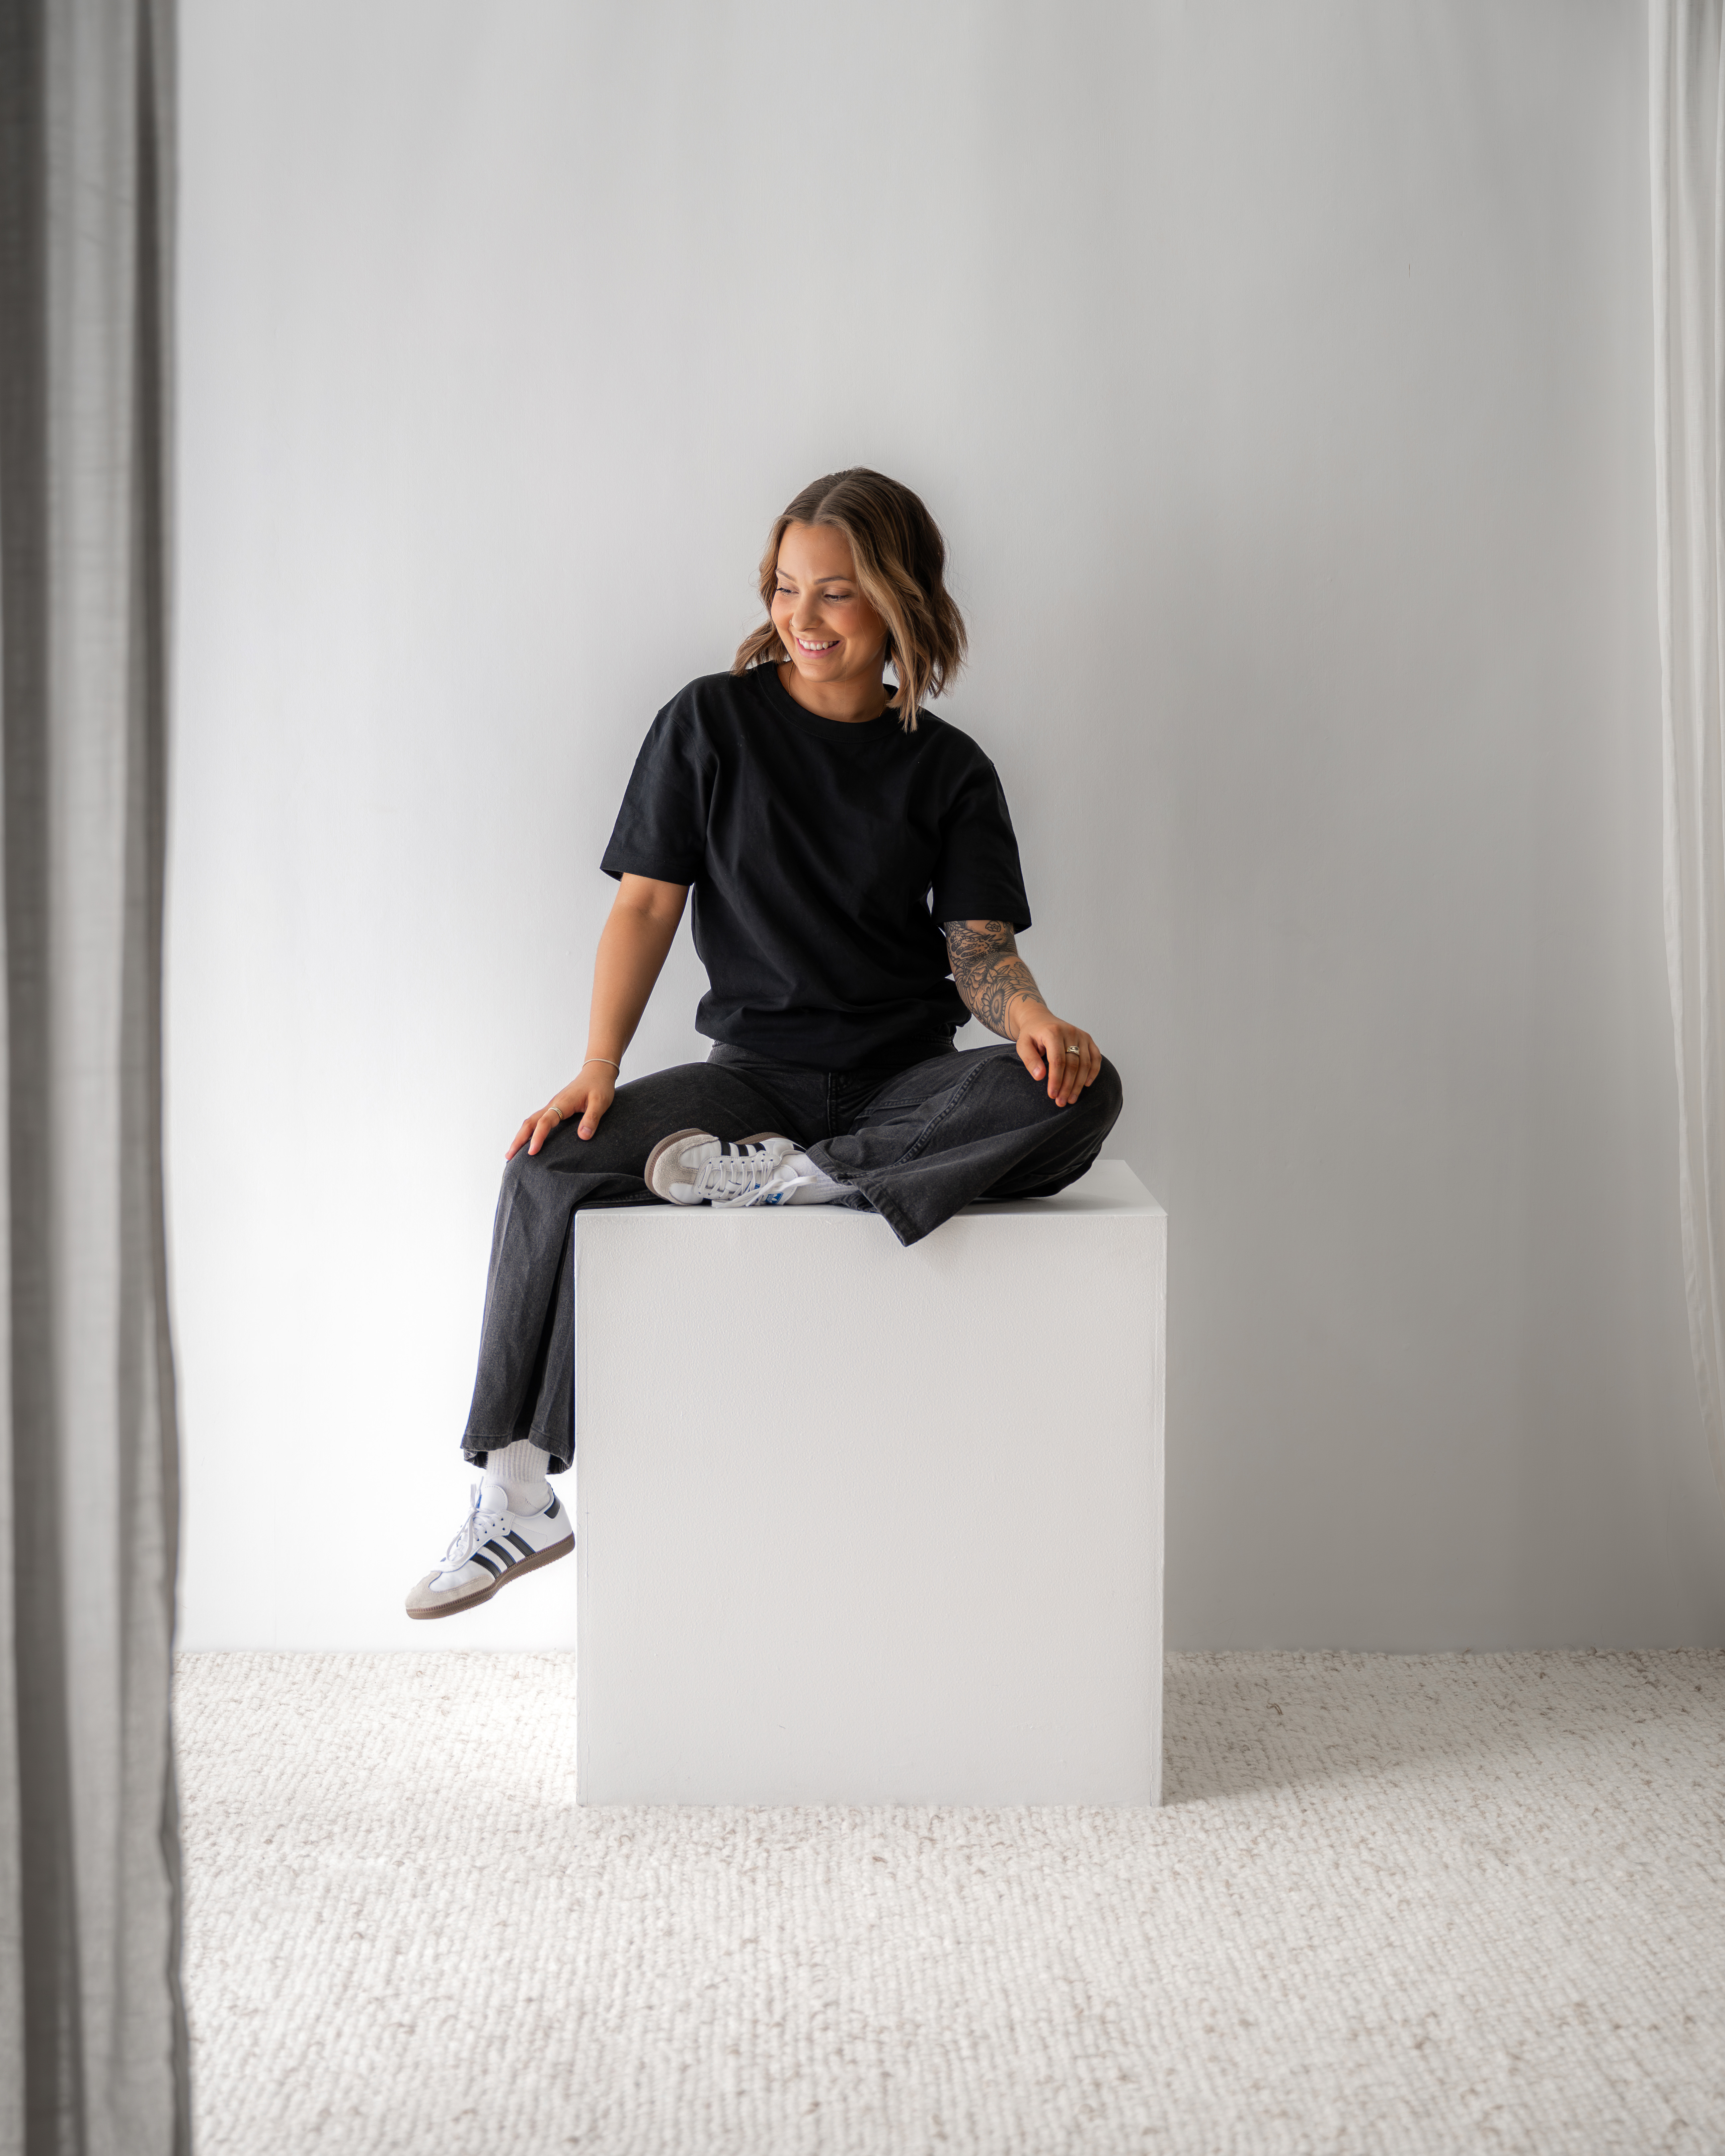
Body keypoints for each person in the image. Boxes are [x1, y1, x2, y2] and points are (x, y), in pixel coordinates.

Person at [406, 469, 1123, 1619]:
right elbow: (645, 906)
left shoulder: (949, 770)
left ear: (898, 603)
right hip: (749, 1089)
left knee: (1081, 1099)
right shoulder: (711, 723)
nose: (803, 617)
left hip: (904, 1090)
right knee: (548, 1163)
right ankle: (520, 1493)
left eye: (836, 594)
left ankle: (815, 1181)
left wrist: (1033, 1019)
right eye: (787, 589)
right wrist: (600, 1068)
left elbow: (979, 950)